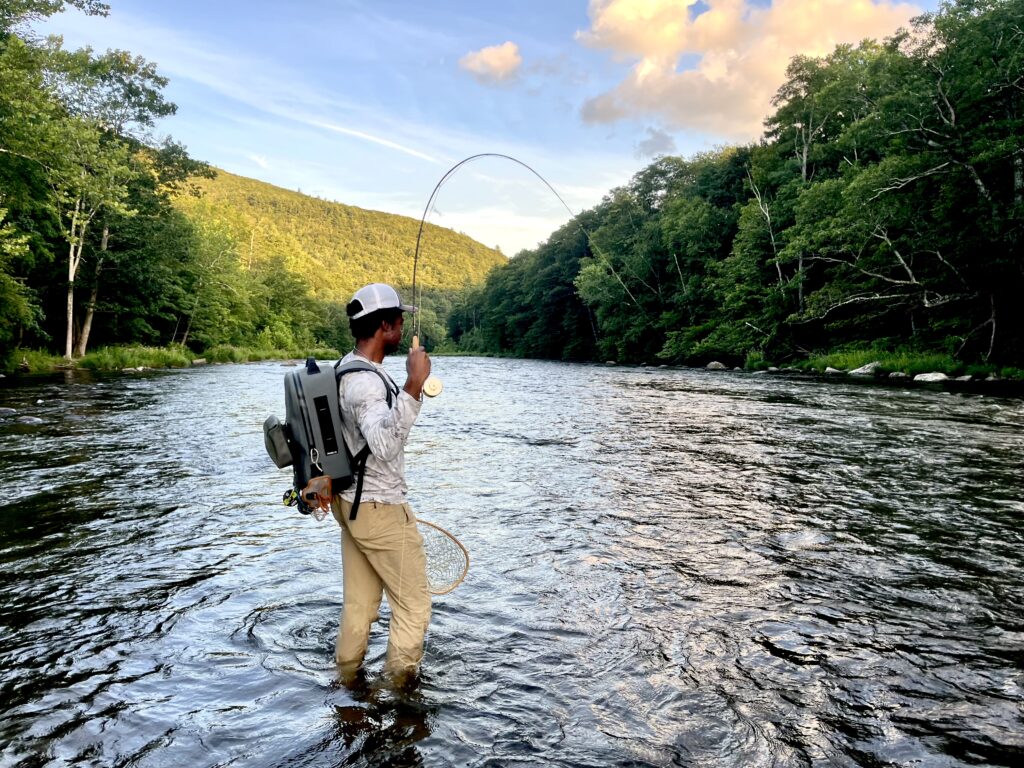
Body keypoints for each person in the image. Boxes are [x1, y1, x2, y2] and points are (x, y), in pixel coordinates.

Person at [330, 282, 432, 684]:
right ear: (384, 326)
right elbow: (385, 444)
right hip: (378, 508)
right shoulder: (367, 383)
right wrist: (414, 384)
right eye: (399, 319)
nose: (405, 325)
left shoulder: (347, 367)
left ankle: (347, 683)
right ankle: (402, 695)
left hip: (351, 504)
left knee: (359, 606)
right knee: (414, 607)